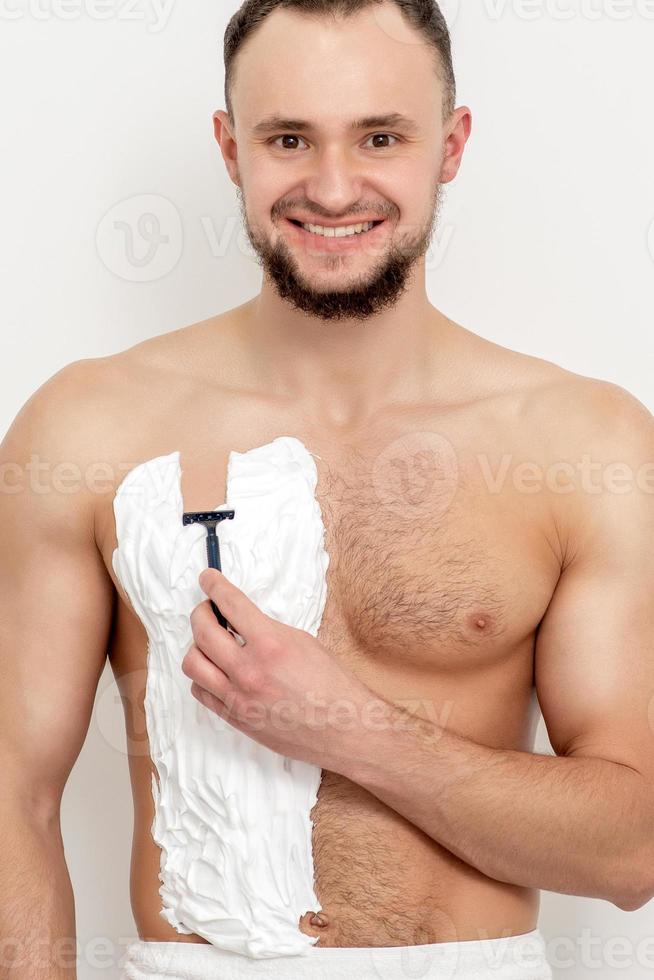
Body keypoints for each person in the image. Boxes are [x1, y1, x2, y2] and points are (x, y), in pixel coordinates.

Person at [1, 1, 652, 978]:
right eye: (289, 138)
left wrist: (345, 724)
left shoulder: (581, 441)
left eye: (380, 136)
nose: (334, 186)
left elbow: (630, 850)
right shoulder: (92, 427)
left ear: (451, 144)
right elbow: (15, 795)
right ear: (230, 148)